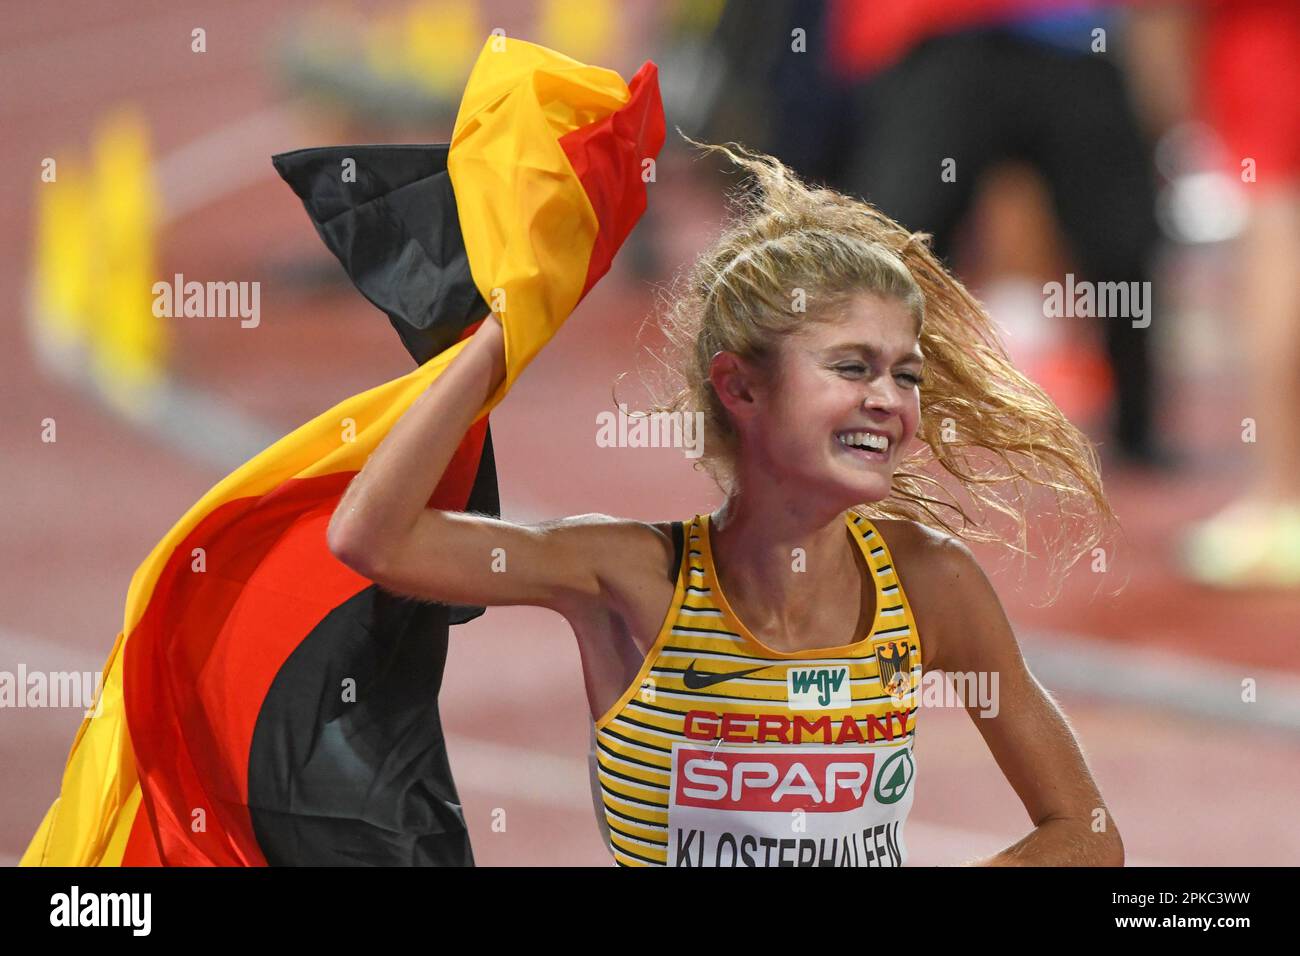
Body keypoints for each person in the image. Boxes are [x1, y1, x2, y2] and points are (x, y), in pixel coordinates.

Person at [326, 139, 1125, 867]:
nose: (889, 399)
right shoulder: (632, 578)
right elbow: (374, 537)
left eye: (904, 374)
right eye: (852, 368)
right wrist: (503, 337)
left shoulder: (928, 582)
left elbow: (1086, 836)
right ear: (740, 387)